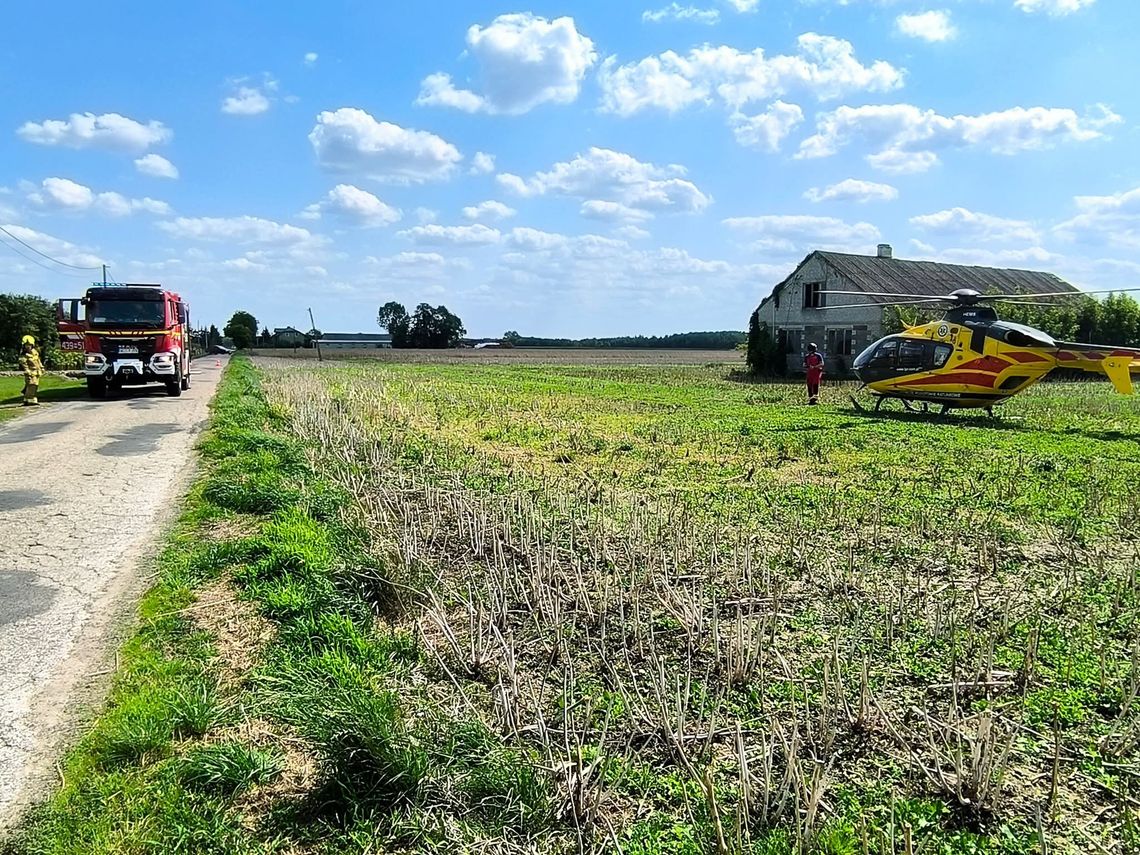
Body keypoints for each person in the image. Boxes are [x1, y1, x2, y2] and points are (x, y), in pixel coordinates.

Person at [19, 335, 44, 407]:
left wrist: (41, 367)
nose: (28, 346)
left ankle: (29, 399)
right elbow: (24, 364)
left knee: (35, 385)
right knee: (31, 385)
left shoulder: (35, 352)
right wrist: (27, 370)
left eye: (29, 345)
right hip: (30, 372)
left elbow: (38, 361)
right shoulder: (24, 355)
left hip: (36, 372)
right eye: (26, 345)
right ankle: (29, 399)